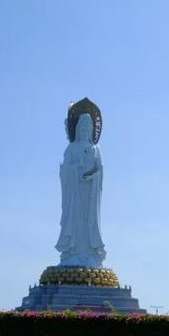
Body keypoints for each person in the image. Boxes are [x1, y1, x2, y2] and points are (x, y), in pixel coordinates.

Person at [55, 112, 106, 267]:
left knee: (90, 221)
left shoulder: (96, 149)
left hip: (90, 192)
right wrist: (76, 170)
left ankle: (90, 254)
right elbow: (64, 171)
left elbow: (100, 170)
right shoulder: (71, 148)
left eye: (87, 127)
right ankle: (73, 253)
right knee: (75, 221)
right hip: (75, 193)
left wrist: (93, 175)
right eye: (82, 127)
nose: (85, 130)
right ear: (77, 130)